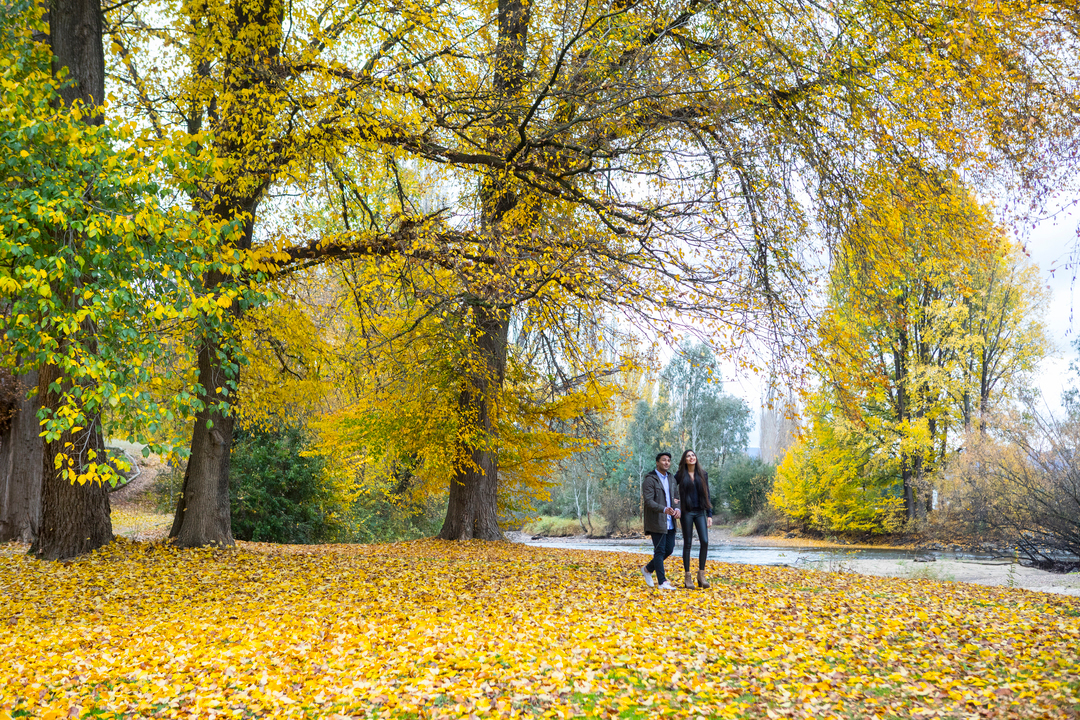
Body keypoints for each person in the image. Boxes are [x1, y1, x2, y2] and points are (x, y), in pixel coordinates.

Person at [641, 451, 680, 590]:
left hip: (670, 521)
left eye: (668, 460)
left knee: (669, 549)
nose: (666, 463)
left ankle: (647, 569)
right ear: (657, 462)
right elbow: (648, 501)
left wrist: (678, 509)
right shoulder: (650, 479)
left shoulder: (671, 478)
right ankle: (662, 582)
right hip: (656, 520)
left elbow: (676, 498)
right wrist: (664, 509)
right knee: (659, 550)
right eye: (664, 460)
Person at [675, 449, 712, 588]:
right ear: (684, 460)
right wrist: (675, 502)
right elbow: (672, 489)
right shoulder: (679, 475)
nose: (691, 457)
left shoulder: (703, 474)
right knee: (688, 543)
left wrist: (709, 514)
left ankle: (701, 575)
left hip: (700, 511)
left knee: (705, 541)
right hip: (686, 512)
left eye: (693, 455)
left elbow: (707, 494)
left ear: (696, 458)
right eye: (688, 456)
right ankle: (687, 577)